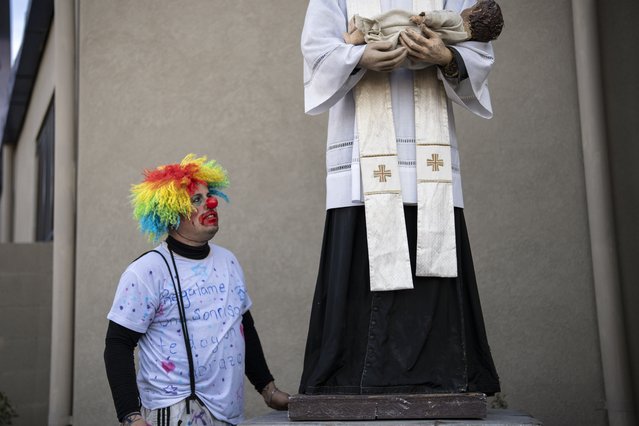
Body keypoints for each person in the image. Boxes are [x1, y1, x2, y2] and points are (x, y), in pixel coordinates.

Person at [299, 0, 500, 398]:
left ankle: (442, 377)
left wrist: (447, 57)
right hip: (361, 152)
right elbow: (316, 50)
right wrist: (358, 57)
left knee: (434, 251)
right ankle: (347, 382)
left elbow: (476, 46)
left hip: (432, 163)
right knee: (359, 252)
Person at [104, 154, 288, 426]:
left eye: (208, 196)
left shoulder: (229, 261)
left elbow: (242, 328)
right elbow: (117, 345)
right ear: (170, 211)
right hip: (177, 412)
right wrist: (130, 416)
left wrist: (268, 390)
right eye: (196, 200)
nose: (211, 203)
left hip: (230, 413)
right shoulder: (148, 271)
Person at [343, 0, 503, 46]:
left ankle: (354, 36)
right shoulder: (464, 37)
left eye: (473, 6)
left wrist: (423, 18)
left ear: (475, 12)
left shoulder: (457, 19)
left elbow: (440, 17)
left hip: (418, 29)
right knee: (387, 36)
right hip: (418, 42)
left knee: (386, 23)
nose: (469, 7)